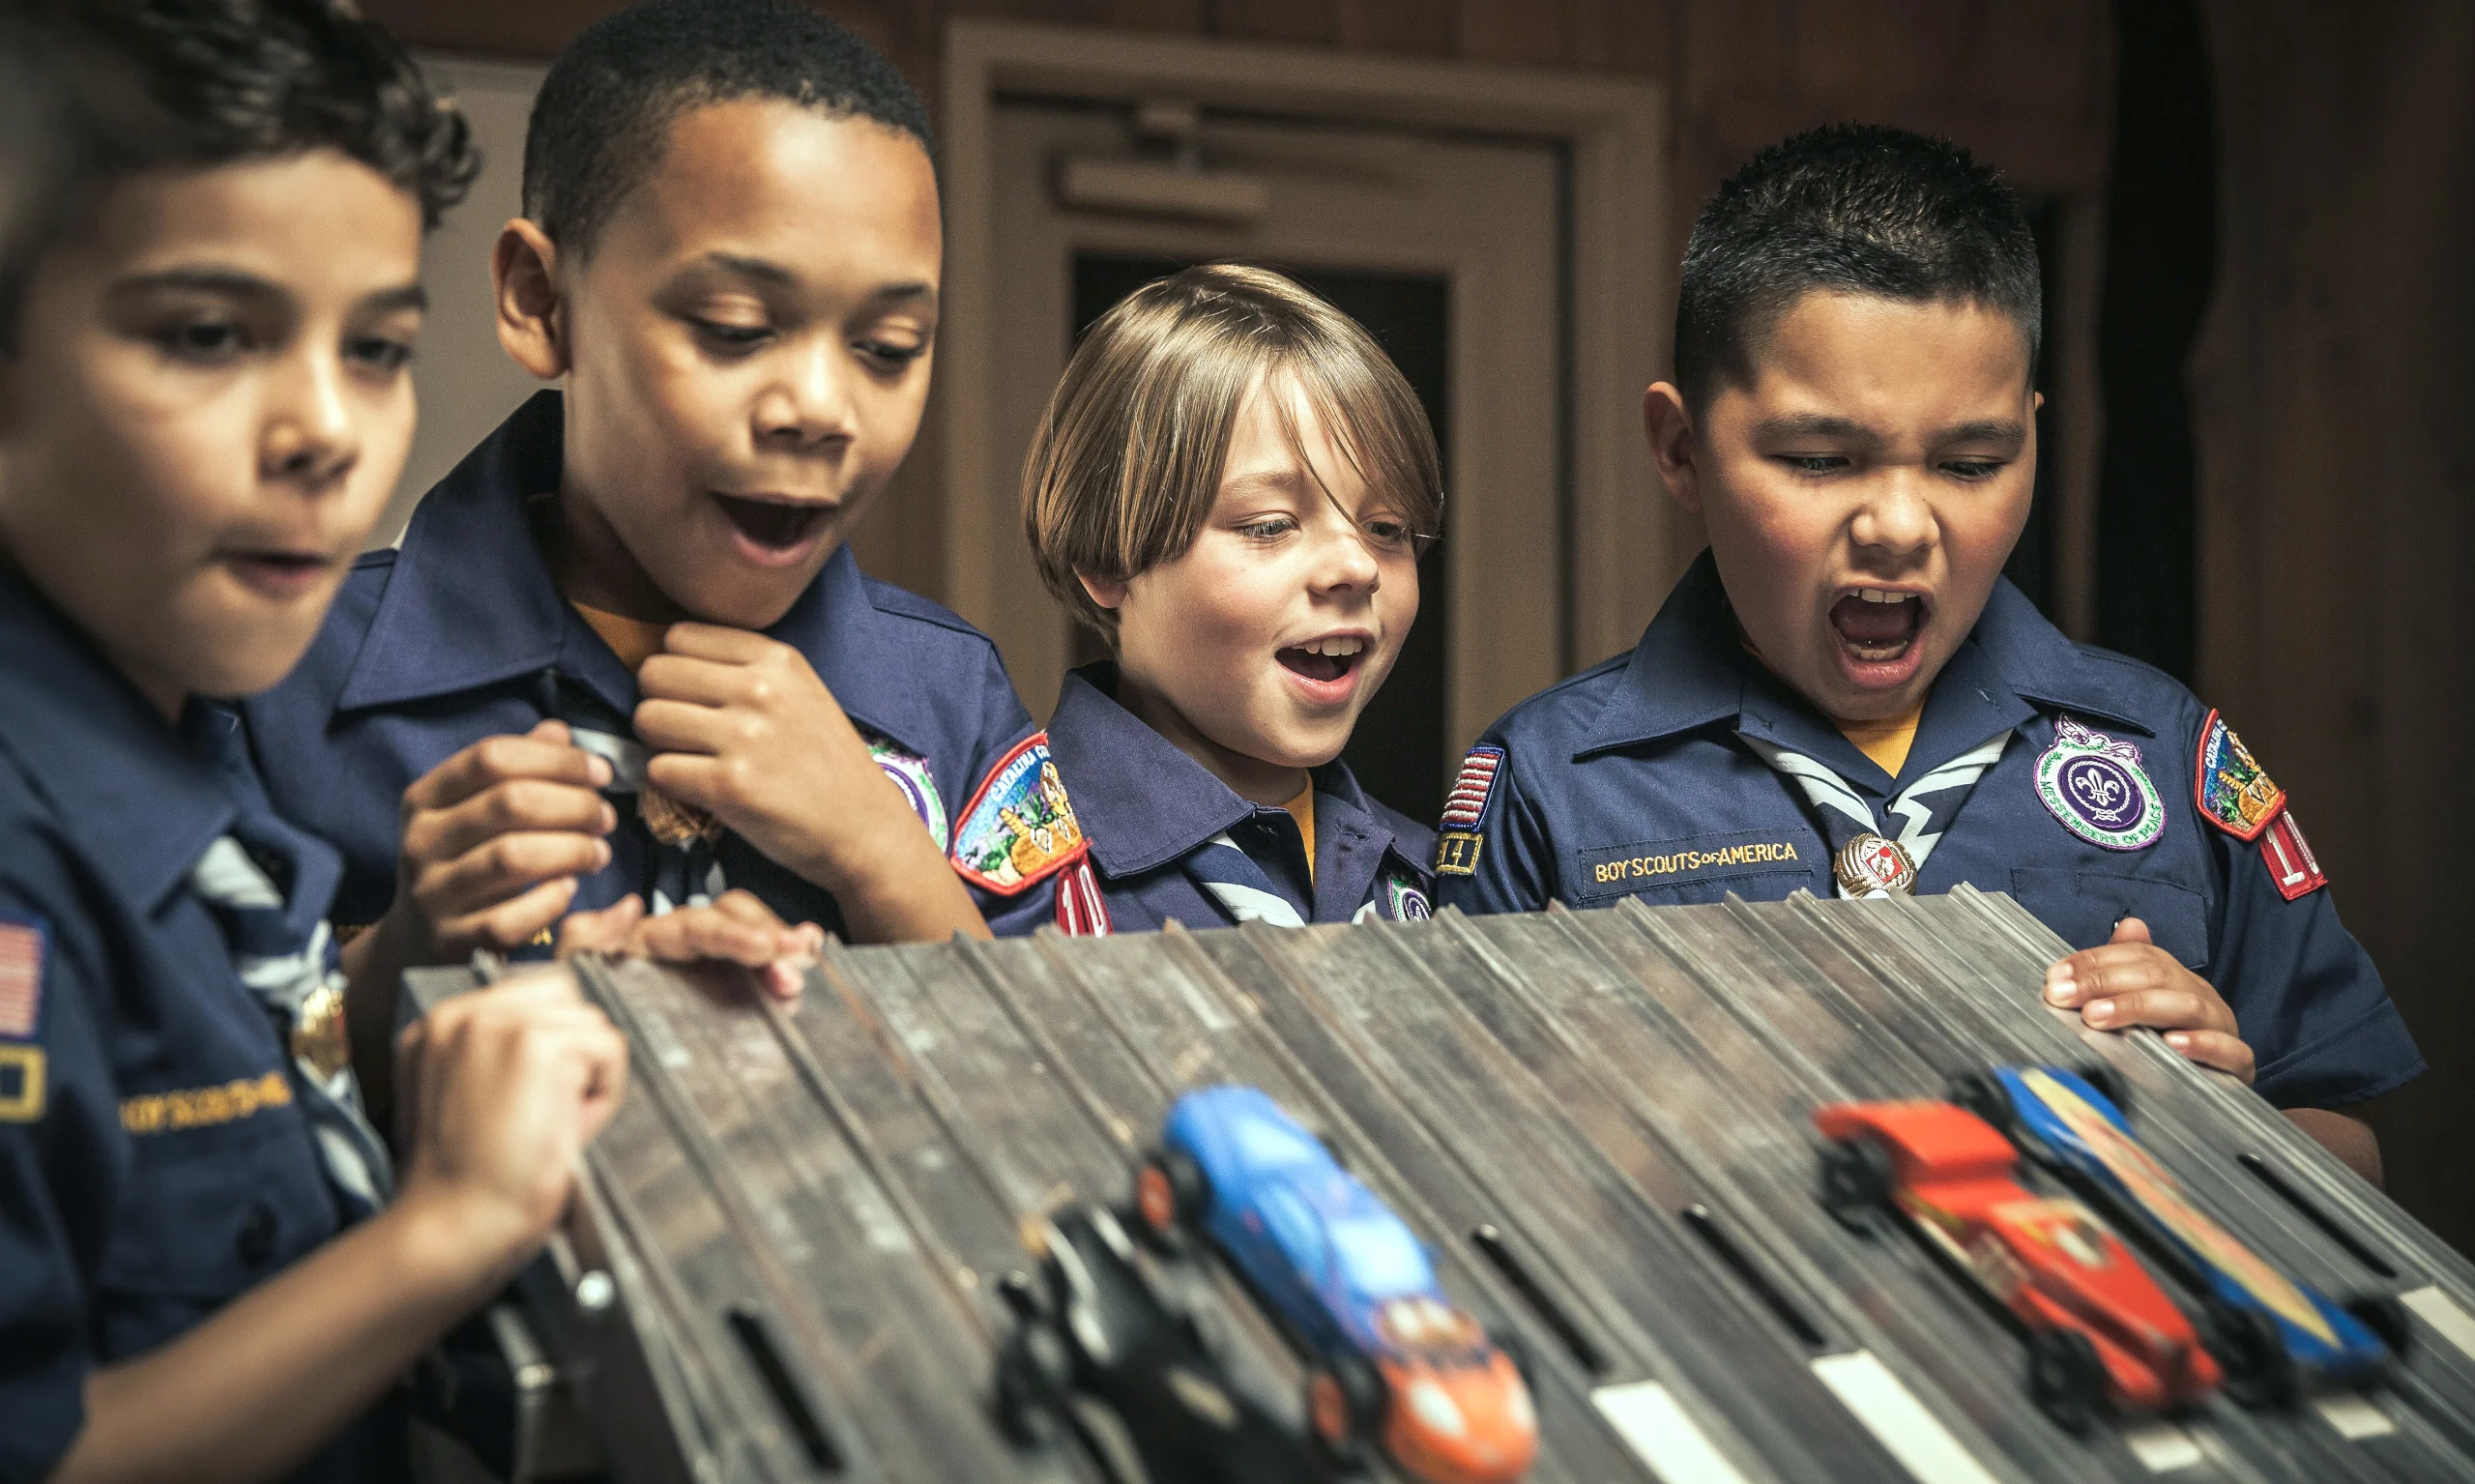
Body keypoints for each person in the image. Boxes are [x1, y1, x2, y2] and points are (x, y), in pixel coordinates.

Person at [1436, 125, 2417, 1180]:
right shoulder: (1548, 785)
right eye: (1820, 458)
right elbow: (1446, 1168)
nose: (1900, 525)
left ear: (2032, 438)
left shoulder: (2165, 752)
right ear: (1681, 449)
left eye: (1968, 460)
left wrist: (2218, 1125)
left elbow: (2350, 1149)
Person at [0, 4, 650, 1478]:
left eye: (373, 347)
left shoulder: (183, 733)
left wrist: (413, 952)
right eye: (209, 334)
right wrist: (451, 1227)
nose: (325, 429)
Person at [245, 0, 1089, 1020]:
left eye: (888, 348)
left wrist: (880, 854)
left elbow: (1086, 1088)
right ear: (540, 302)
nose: (822, 410)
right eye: (736, 328)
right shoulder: (281, 672)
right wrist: (393, 972)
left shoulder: (949, 697)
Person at [1024, 265, 1438, 932]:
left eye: (1386, 528)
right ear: (1107, 556)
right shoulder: (1014, 877)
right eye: (1270, 524)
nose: (1359, 565)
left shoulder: (1431, 877)